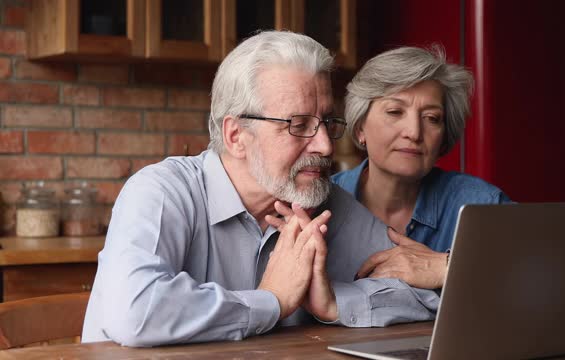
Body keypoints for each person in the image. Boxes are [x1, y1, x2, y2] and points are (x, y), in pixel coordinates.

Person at [82, 31, 440, 347]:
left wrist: (335, 303)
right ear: (236, 136)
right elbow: (134, 313)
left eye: (327, 123)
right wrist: (271, 301)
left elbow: (434, 299)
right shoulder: (162, 191)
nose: (325, 147)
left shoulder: (326, 202)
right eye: (298, 124)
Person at [332, 46, 511, 290]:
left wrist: (447, 267)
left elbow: (550, 276)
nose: (414, 132)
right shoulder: (321, 204)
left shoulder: (481, 204)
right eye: (395, 112)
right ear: (360, 126)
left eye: (432, 118)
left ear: (444, 137)